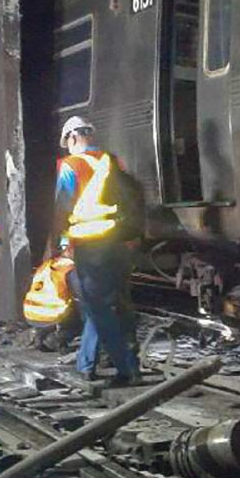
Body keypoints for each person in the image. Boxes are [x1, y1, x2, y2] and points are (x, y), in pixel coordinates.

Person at [51, 116, 141, 385]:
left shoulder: (71, 166)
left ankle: (126, 369)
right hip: (120, 244)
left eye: (67, 141)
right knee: (108, 304)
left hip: (91, 247)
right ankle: (87, 363)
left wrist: (59, 245)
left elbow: (61, 210)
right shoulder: (113, 161)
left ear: (73, 137)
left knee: (98, 307)